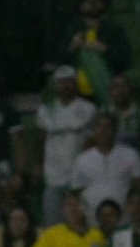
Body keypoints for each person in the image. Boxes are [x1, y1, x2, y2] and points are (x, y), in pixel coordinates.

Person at [36, 66, 96, 226]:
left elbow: (91, 142)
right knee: (53, 224)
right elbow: (40, 140)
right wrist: (38, 166)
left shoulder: (88, 108)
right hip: (53, 174)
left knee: (82, 221)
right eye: (61, 82)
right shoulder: (45, 110)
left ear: (75, 84)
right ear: (55, 85)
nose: (65, 86)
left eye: (69, 82)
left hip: (80, 175)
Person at [69, 113, 140, 223]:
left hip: (124, 220)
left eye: (107, 126)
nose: (103, 131)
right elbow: (75, 192)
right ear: (94, 130)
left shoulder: (131, 154)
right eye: (99, 127)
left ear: (115, 129)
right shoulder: (82, 159)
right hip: (92, 222)